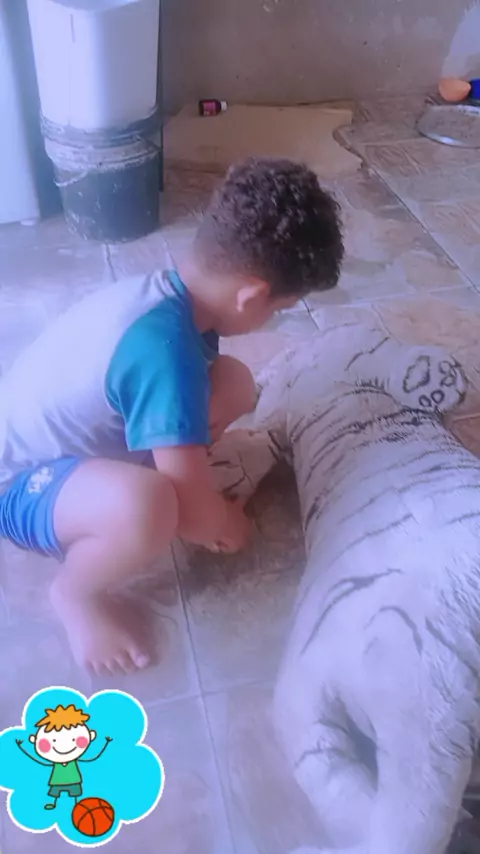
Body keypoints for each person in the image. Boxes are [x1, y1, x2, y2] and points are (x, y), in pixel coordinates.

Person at [0, 157, 344, 675]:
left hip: (72, 441)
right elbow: (196, 515)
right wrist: (223, 523)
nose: (273, 318)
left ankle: (147, 469)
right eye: (280, 308)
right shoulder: (164, 353)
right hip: (20, 483)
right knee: (152, 506)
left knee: (233, 381)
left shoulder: (169, 296)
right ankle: (75, 593)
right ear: (252, 296)